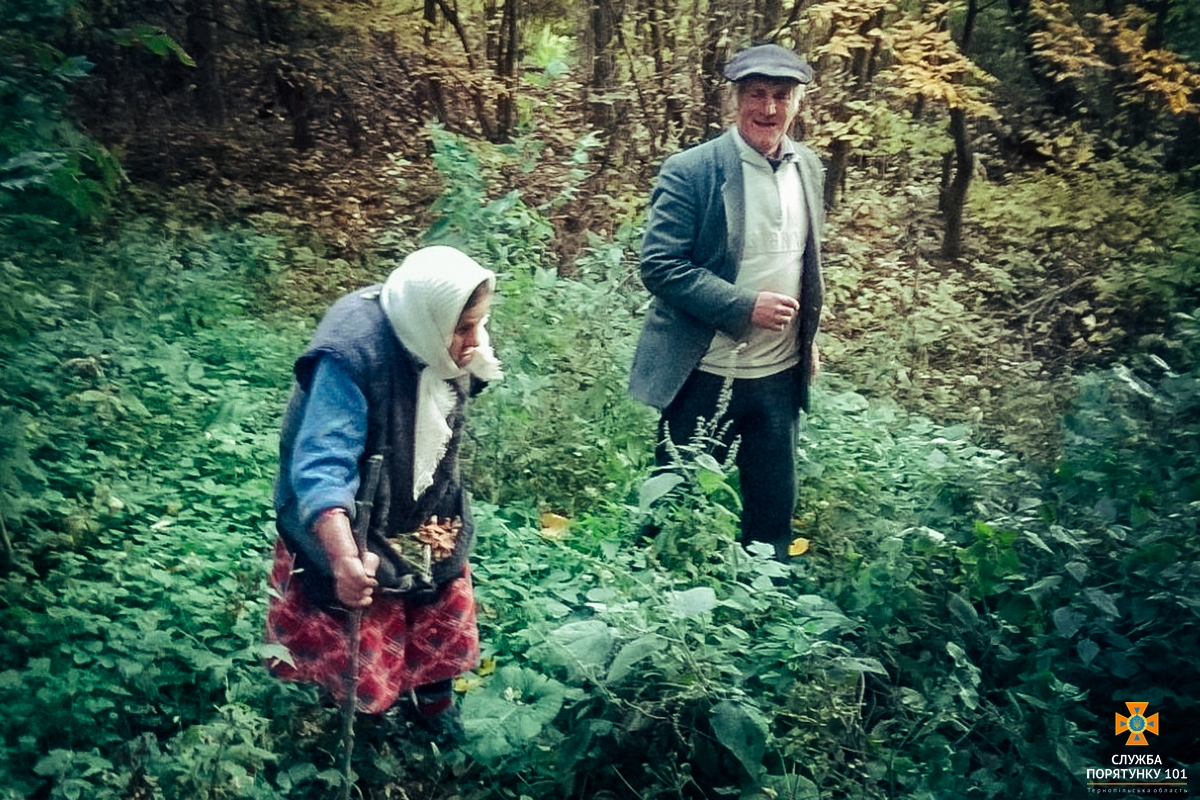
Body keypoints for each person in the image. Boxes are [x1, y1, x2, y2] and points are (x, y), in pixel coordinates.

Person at [265, 245, 502, 739]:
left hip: (420, 501)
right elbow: (323, 465)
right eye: (464, 329)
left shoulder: (436, 328)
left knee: (437, 591)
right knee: (364, 615)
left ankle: (432, 701)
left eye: (479, 324)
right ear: (431, 320)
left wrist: (464, 338)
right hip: (346, 516)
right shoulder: (350, 357)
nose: (475, 341)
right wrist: (343, 556)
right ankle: (359, 724)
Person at [629, 43, 825, 560]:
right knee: (676, 507)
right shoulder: (692, 170)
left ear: (799, 102)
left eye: (782, 96)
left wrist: (810, 339)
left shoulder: (808, 167)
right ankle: (657, 600)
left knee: (772, 515)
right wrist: (744, 306)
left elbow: (806, 262)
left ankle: (768, 612)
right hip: (704, 371)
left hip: (778, 377)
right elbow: (661, 266)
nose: (769, 109)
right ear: (735, 101)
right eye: (757, 95)